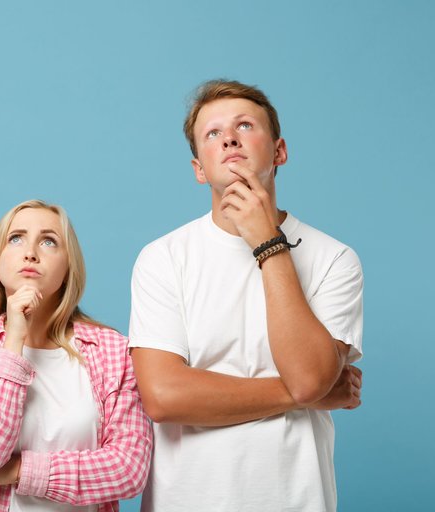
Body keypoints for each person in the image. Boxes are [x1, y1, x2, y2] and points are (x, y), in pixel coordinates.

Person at [128, 80, 364, 511]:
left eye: (245, 125)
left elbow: (309, 377)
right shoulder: (162, 257)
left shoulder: (335, 258)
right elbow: (163, 397)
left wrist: (267, 243)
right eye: (213, 133)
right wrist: (299, 395)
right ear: (199, 168)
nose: (230, 137)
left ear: (279, 152)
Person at [0, 200, 152, 512]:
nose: (30, 252)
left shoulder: (114, 352)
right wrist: (14, 340)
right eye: (16, 238)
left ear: (67, 270)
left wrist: (18, 471)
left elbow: (129, 469)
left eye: (49, 241)